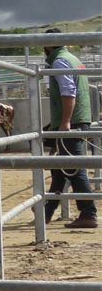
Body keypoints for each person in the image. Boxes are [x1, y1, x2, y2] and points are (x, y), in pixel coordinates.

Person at [42, 28, 97, 228]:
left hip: (70, 121)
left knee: (73, 168)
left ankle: (88, 212)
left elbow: (68, 92)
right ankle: (47, 211)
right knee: (60, 167)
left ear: (48, 44)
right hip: (79, 118)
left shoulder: (59, 61)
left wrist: (65, 122)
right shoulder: (73, 58)